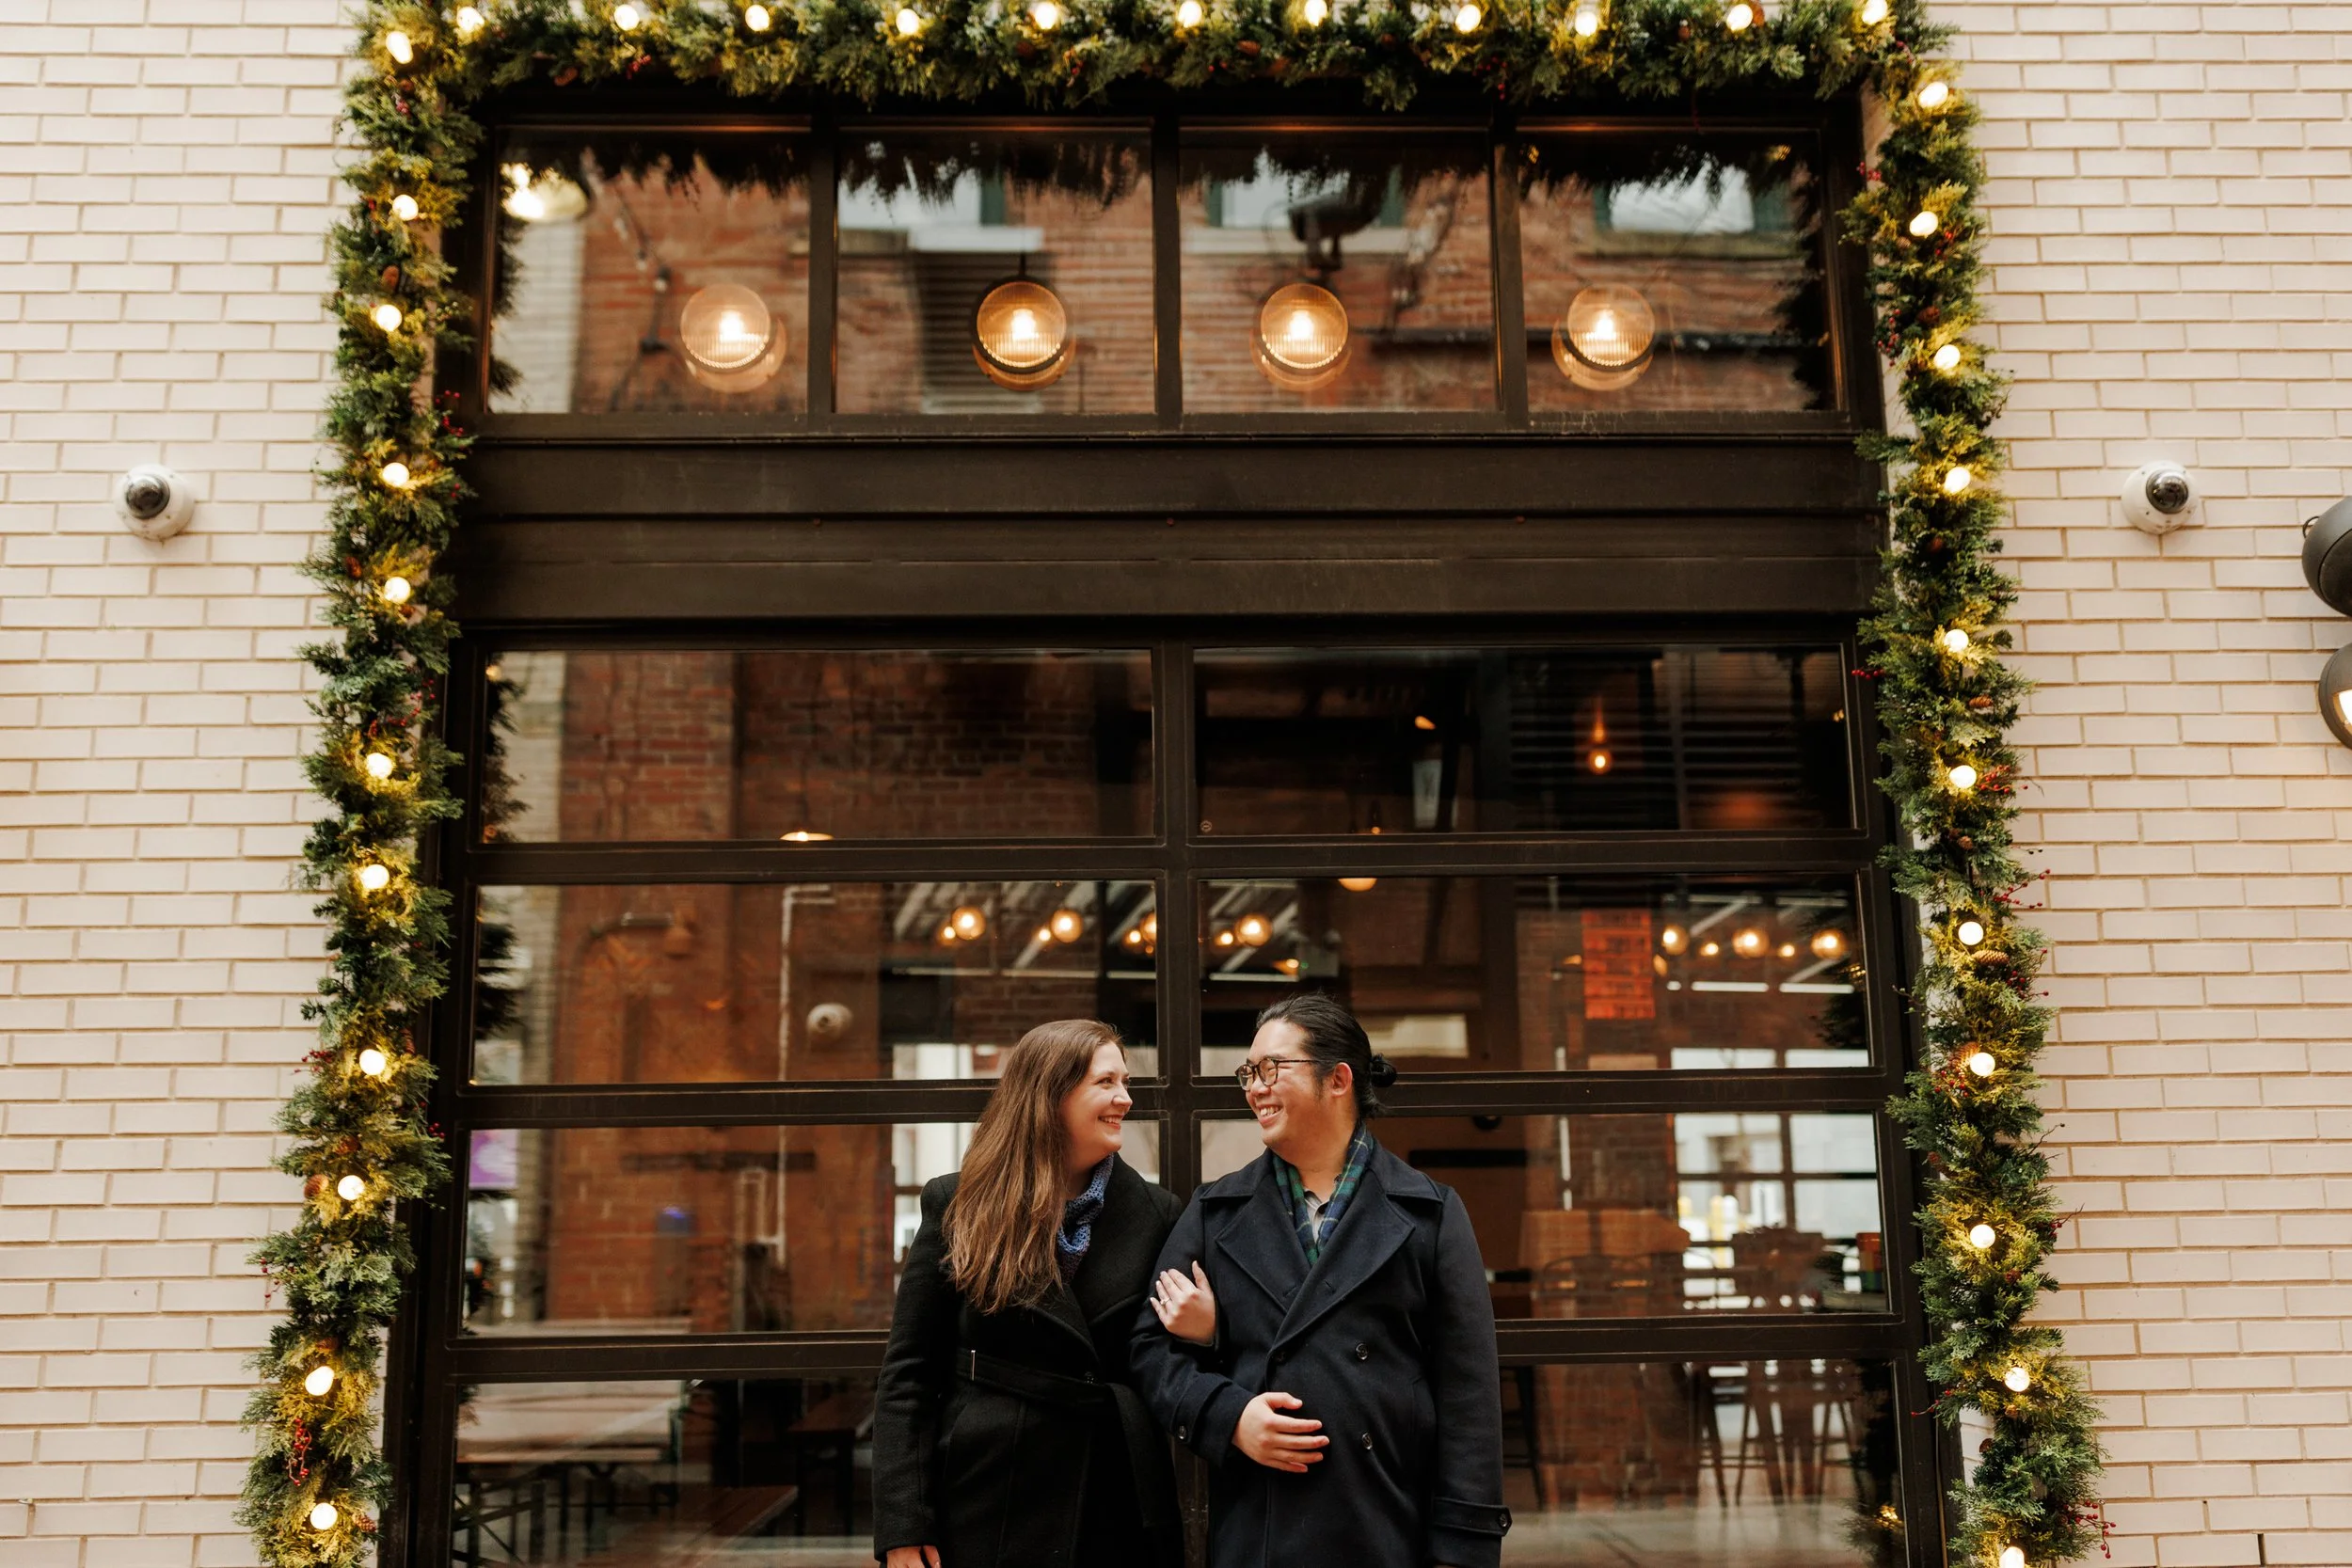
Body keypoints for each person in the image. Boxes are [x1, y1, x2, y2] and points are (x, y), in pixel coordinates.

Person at [1131, 994, 1512, 1568]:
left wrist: (1465, 1547)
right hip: (1260, 1527)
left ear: (1337, 1080)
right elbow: (1149, 1350)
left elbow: (1469, 1394)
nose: (1253, 1088)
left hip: (1388, 1524)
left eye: (1270, 1069)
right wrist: (1229, 1417)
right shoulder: (1216, 1212)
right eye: (1248, 1072)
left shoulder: (1429, 1214)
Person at [872, 1019, 1184, 1568]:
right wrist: (903, 1523)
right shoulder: (958, 1202)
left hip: (1111, 1489)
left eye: (1125, 1082)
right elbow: (909, 1376)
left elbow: (1167, 1362)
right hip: (988, 1487)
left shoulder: (1158, 1213)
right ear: (1052, 1093)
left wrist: (1204, 1330)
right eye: (1106, 1082)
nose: (1125, 1099)